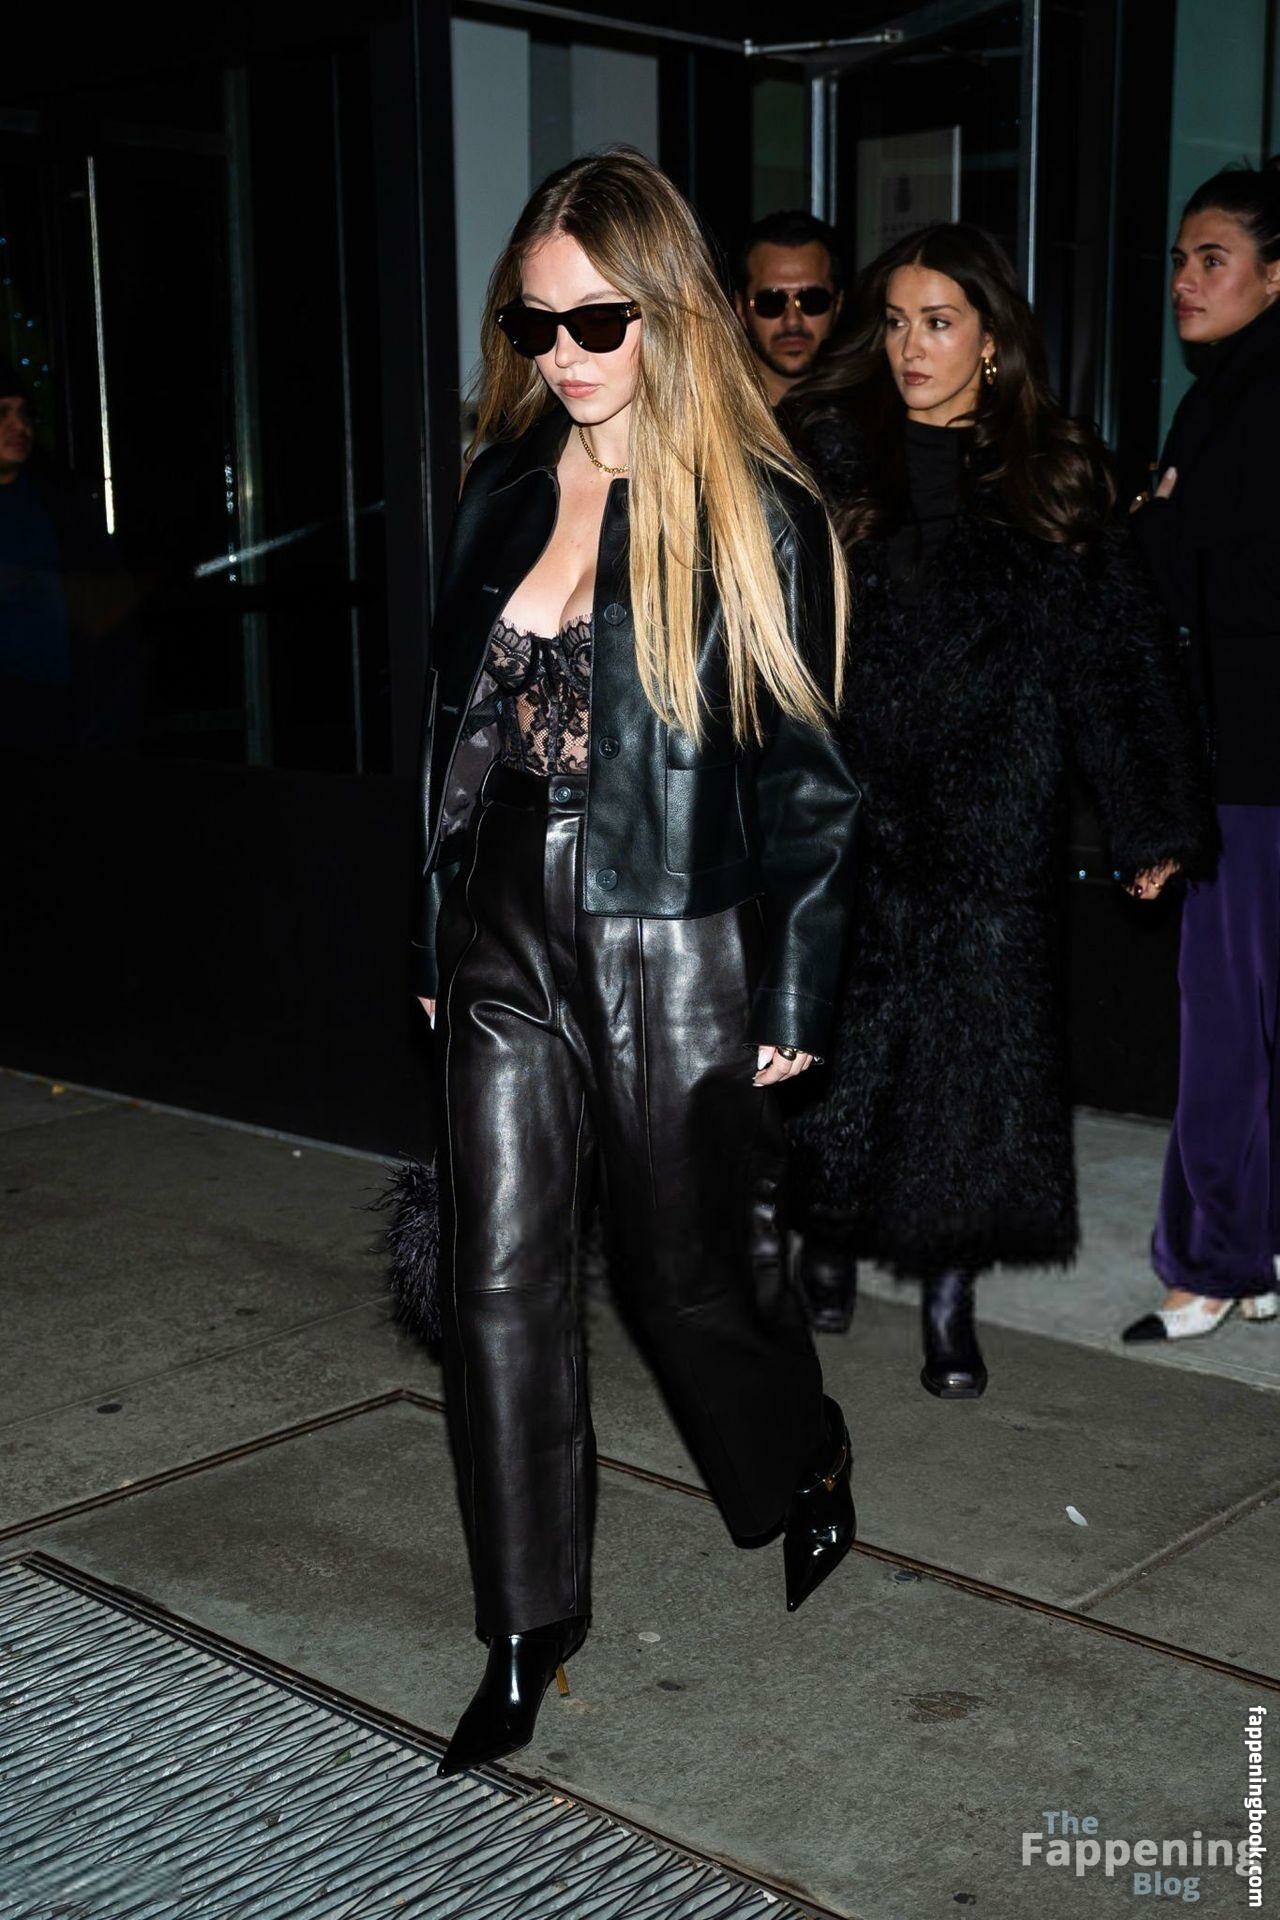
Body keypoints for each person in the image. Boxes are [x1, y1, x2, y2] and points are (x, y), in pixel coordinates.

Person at [412, 148, 863, 1775]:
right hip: (501, 922)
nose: (565, 355)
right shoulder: (500, 486)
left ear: (669, 311)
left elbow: (811, 781)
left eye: (598, 320)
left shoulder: (755, 511)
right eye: (535, 326)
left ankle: (800, 1456)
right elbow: (452, 737)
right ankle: (524, 1626)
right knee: (497, 1280)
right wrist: (433, 930)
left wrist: (794, 988)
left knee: (688, 1283)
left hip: (673, 933)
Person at [781, 222, 1212, 1397]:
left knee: (971, 1060)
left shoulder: (1049, 472)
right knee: (836, 1041)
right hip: (850, 804)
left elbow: (1116, 658)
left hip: (990, 807)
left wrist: (1146, 820)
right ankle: (822, 1233)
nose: (908, 348)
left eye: (936, 323)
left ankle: (948, 1296)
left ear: (987, 339)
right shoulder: (825, 457)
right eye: (893, 323)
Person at [1123, 162, 1280, 1344]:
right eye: (1179, 259)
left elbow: (1201, 583)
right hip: (1244, 761)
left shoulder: (1240, 409)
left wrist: (1152, 524)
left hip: (1247, 769)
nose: (1184, 280)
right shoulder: (1222, 397)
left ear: (1274, 276)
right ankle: (1250, 1253)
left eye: (1210, 259)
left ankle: (1213, 1263)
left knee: (1223, 1021)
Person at [0, 362, 141, 752]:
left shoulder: (59, 501)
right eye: (3, 413)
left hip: (58, 705)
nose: (19, 426)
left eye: (24, 413)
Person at [734, 210, 844, 409]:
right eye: (770, 302)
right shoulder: (704, 412)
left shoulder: (872, 416)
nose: (792, 321)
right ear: (741, 309)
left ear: (837, 305)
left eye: (812, 300)